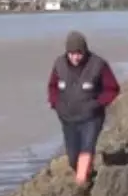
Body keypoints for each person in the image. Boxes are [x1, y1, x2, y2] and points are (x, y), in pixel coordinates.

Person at [47, 30, 120, 185]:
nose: (75, 57)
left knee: (87, 148)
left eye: (79, 53)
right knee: (73, 156)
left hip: (91, 118)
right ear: (67, 52)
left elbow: (112, 88)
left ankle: (81, 183)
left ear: (85, 51)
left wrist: (97, 104)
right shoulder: (59, 64)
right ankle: (86, 172)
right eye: (72, 53)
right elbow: (52, 87)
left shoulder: (98, 64)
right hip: (68, 118)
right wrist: (55, 104)